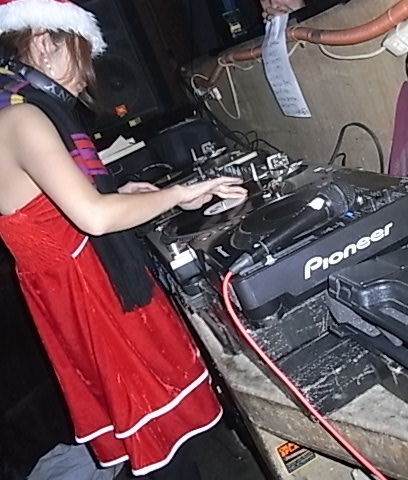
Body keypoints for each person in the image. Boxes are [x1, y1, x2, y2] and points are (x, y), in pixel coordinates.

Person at [0, 0, 247, 478]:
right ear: (43, 42)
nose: (87, 76)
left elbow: (51, 208)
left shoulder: (9, 110)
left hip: (70, 296)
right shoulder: (24, 119)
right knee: (163, 451)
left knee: (155, 446)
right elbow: (93, 217)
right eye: (82, 54)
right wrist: (181, 192)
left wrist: (124, 194)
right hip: (92, 298)